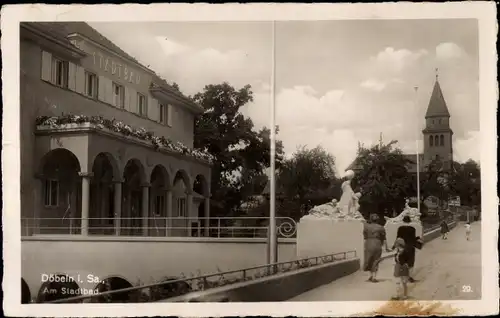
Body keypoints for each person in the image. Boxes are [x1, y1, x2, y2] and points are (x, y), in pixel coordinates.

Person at [363, 213, 391, 282]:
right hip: (377, 243)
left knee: (369, 259)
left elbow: (365, 236)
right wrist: (386, 247)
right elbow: (384, 238)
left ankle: (371, 276)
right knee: (376, 260)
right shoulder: (381, 227)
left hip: (368, 243)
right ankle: (374, 277)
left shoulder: (366, 227)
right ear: (377, 220)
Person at [394, 215, 418, 283]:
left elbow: (398, 238)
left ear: (403, 221)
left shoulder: (400, 228)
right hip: (410, 247)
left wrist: (394, 247)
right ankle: (410, 277)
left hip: (402, 247)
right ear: (409, 221)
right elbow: (413, 239)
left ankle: (401, 277)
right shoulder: (412, 229)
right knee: (411, 262)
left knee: (401, 261)